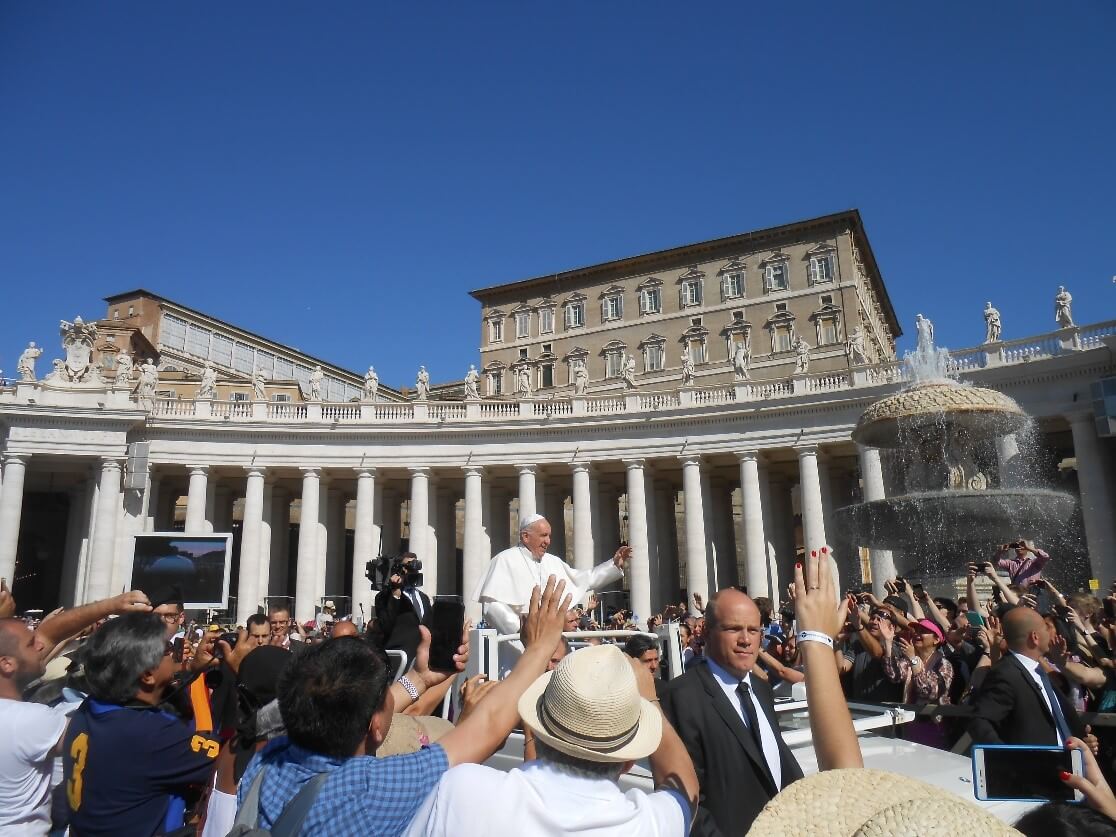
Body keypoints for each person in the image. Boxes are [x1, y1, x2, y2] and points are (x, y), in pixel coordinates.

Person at [235, 578, 571, 835]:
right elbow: (488, 726)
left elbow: (352, 707)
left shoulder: (267, 761)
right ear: (377, 727)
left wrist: (421, 679)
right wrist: (539, 647)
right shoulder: (368, 789)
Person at [406, 643, 699, 836]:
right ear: (629, 761)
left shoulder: (462, 789)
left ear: (536, 724)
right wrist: (648, 698)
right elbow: (685, 788)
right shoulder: (649, 825)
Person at [0, 588, 152, 836]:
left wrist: (113, 604)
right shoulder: (30, 722)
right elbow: (106, 730)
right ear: (7, 664)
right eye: (30, 643)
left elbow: (49, 634)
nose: (41, 644)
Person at [62, 612, 224, 837]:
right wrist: (243, 671)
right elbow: (227, 758)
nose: (175, 654)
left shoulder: (92, 707)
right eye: (167, 649)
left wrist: (190, 669)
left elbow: (145, 698)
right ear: (147, 674)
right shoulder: (149, 734)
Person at [662, 587, 804, 836]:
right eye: (733, 629)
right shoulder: (681, 697)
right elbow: (685, 800)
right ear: (706, 631)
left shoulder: (761, 689)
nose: (746, 640)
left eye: (753, 630)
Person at [472, 514, 629, 665]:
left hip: (554, 646)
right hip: (517, 645)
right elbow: (492, 606)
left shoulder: (553, 562)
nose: (547, 541)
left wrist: (613, 565)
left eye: (549, 536)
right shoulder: (504, 560)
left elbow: (584, 579)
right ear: (525, 537)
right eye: (543, 535)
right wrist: (526, 632)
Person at [968, 605, 1089, 748]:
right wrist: (1010, 759)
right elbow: (980, 721)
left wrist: (1082, 739)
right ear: (1035, 637)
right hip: (1035, 767)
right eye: (1045, 628)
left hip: (1064, 763)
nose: (1049, 634)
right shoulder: (1005, 673)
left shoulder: (1038, 670)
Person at [374, 553, 431, 668]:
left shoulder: (423, 598)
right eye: (408, 566)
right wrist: (395, 595)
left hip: (422, 661)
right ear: (398, 569)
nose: (412, 570)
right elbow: (386, 625)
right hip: (399, 661)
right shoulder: (384, 596)